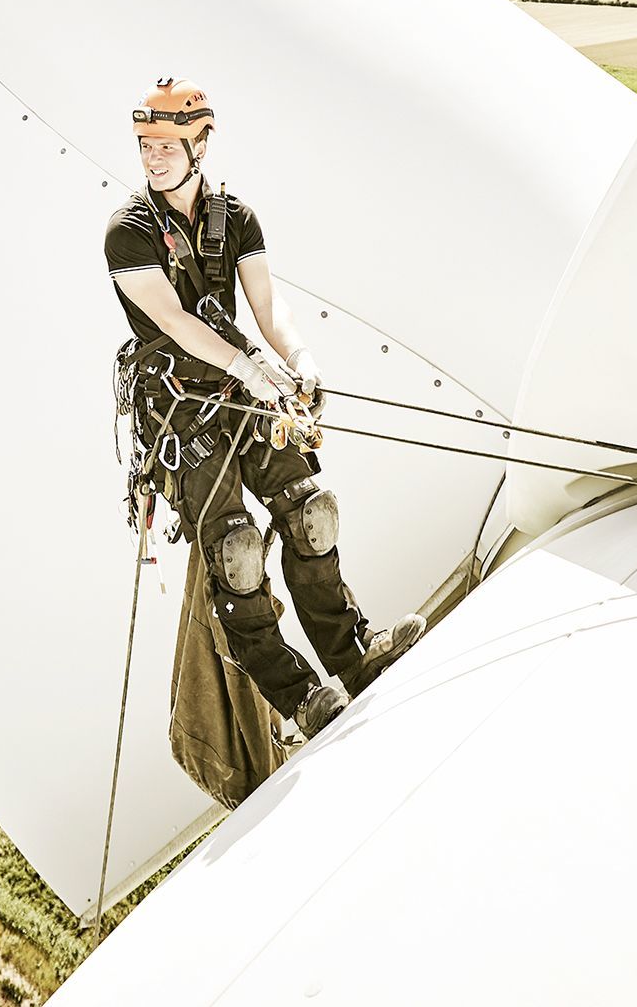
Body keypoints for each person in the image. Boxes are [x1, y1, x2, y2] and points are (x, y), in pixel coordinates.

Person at [105, 77, 425, 739]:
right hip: (181, 409)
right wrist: (255, 371)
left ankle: (357, 654)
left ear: (201, 141)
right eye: (145, 144)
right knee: (237, 549)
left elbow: (267, 305)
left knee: (312, 514)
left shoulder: (234, 217)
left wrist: (300, 359)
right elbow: (174, 320)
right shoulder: (128, 232)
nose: (153, 155)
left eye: (167, 142)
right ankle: (301, 696)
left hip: (238, 387)